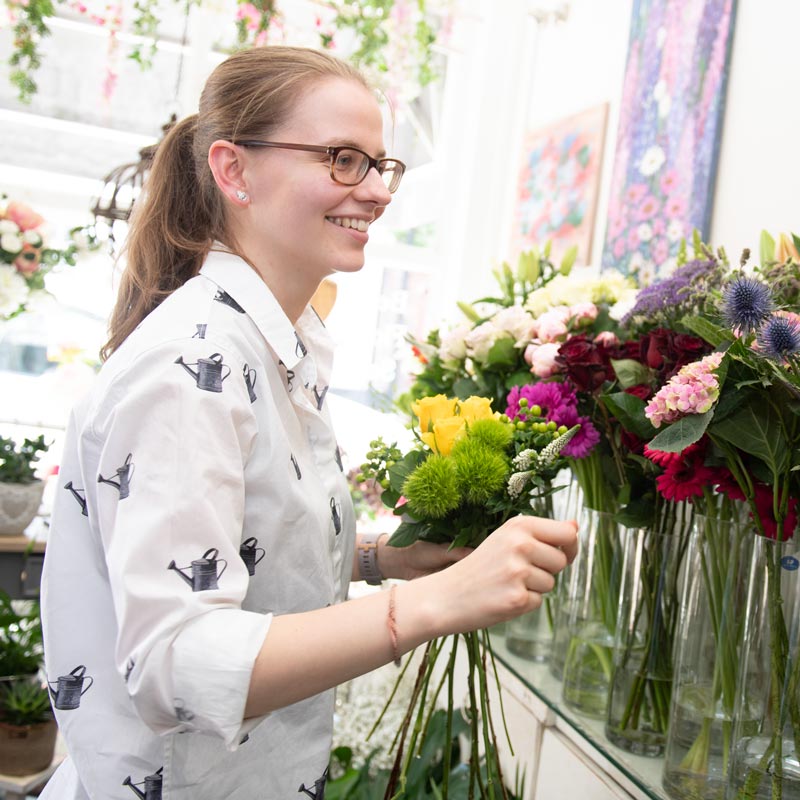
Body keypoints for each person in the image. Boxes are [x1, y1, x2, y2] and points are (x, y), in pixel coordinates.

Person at [40, 45, 578, 799]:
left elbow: (234, 539)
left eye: (379, 164)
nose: (377, 191)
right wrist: (428, 606)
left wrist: (378, 560)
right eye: (341, 158)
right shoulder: (189, 367)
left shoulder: (275, 345)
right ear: (233, 172)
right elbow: (174, 661)